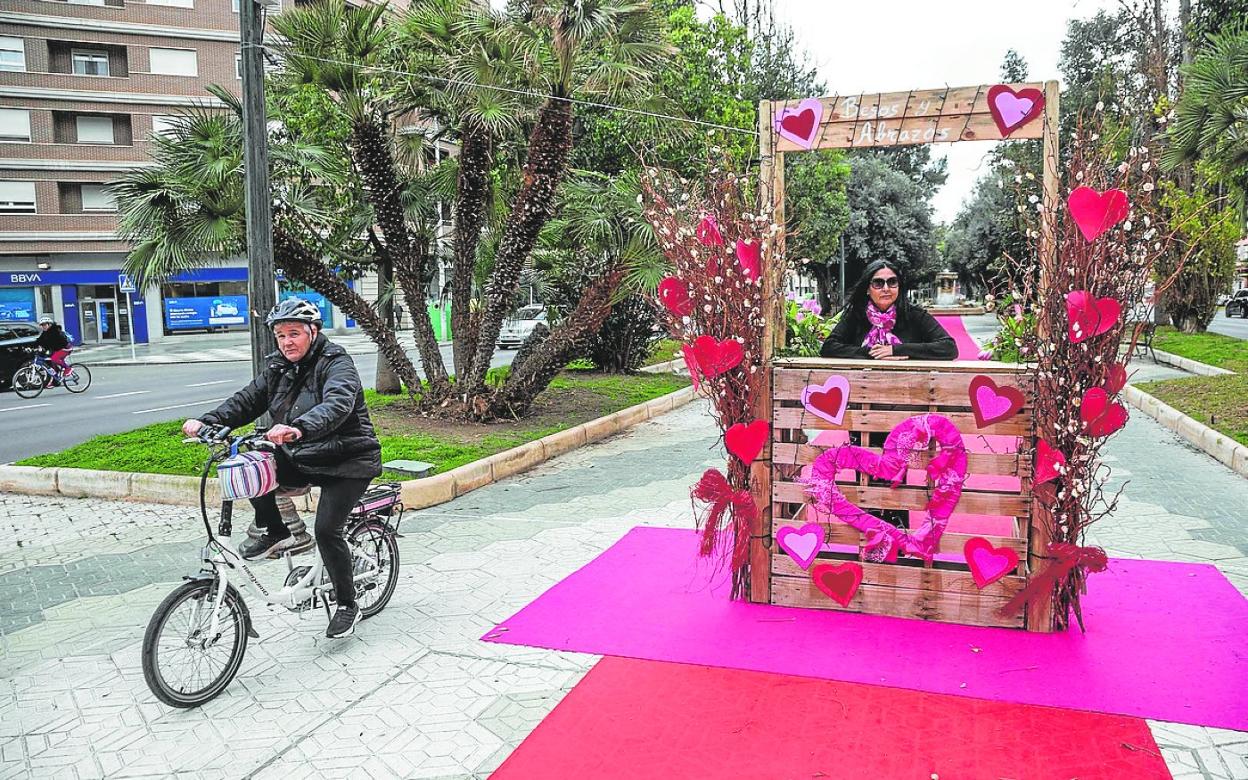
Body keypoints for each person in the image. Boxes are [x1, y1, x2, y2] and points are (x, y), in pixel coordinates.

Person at [181, 298, 382, 639]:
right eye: (280, 336)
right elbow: (246, 401)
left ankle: (348, 604)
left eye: (294, 334)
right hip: (306, 456)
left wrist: (299, 428)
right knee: (254, 466)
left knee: (326, 530)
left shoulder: (337, 363)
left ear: (313, 332)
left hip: (349, 460)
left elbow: (337, 404)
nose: (287, 342)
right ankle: (276, 531)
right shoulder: (278, 367)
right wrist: (207, 421)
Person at [820, 260, 957, 361]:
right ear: (868, 289)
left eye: (892, 282)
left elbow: (948, 348)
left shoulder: (915, 316)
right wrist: (873, 353)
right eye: (878, 283)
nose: (886, 288)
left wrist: (895, 350)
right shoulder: (856, 315)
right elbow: (829, 347)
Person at [35, 315, 72, 385]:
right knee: (52, 363)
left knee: (54, 358)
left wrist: (43, 348)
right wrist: (32, 346)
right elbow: (40, 340)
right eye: (42, 325)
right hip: (57, 349)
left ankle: (68, 369)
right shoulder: (45, 332)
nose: (43, 326)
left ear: (49, 324)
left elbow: (49, 343)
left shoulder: (55, 332)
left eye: (45, 325)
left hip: (65, 348)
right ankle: (55, 380)